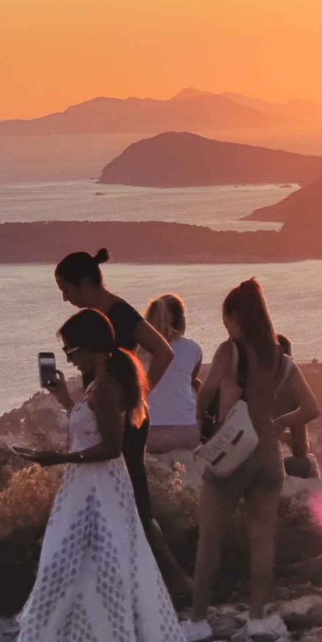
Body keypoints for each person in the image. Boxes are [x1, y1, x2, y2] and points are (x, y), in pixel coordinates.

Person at [12, 309, 192, 642]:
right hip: (85, 487)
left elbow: (111, 447)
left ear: (92, 347)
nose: (69, 358)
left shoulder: (108, 386)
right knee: (75, 561)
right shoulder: (98, 385)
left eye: (72, 350)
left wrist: (58, 459)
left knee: (95, 563)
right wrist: (63, 398)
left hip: (100, 487)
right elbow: (90, 426)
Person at [184, 279, 320, 642]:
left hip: (234, 454)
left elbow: (207, 391)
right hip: (268, 458)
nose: (224, 326)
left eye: (226, 319)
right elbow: (311, 408)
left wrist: (201, 428)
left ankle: (198, 621)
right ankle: (258, 618)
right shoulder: (282, 359)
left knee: (209, 540)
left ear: (235, 317)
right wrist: (277, 424)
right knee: (263, 541)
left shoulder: (230, 351)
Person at [54, 249, 192, 597]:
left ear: (85, 283)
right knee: (109, 501)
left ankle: (177, 584)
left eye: (66, 288)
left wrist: (138, 398)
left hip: (125, 419)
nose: (64, 297)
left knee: (134, 502)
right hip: (101, 414)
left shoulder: (121, 313)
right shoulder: (91, 318)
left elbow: (164, 352)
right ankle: (125, 585)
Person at [143, 294, 203, 455]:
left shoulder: (141, 350)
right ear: (181, 320)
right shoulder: (194, 349)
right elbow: (190, 379)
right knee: (192, 386)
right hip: (189, 433)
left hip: (153, 435)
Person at [276, 333, 321, 479]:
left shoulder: (245, 380)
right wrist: (286, 436)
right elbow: (300, 451)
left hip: (237, 460)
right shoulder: (292, 395)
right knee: (307, 462)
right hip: (269, 467)